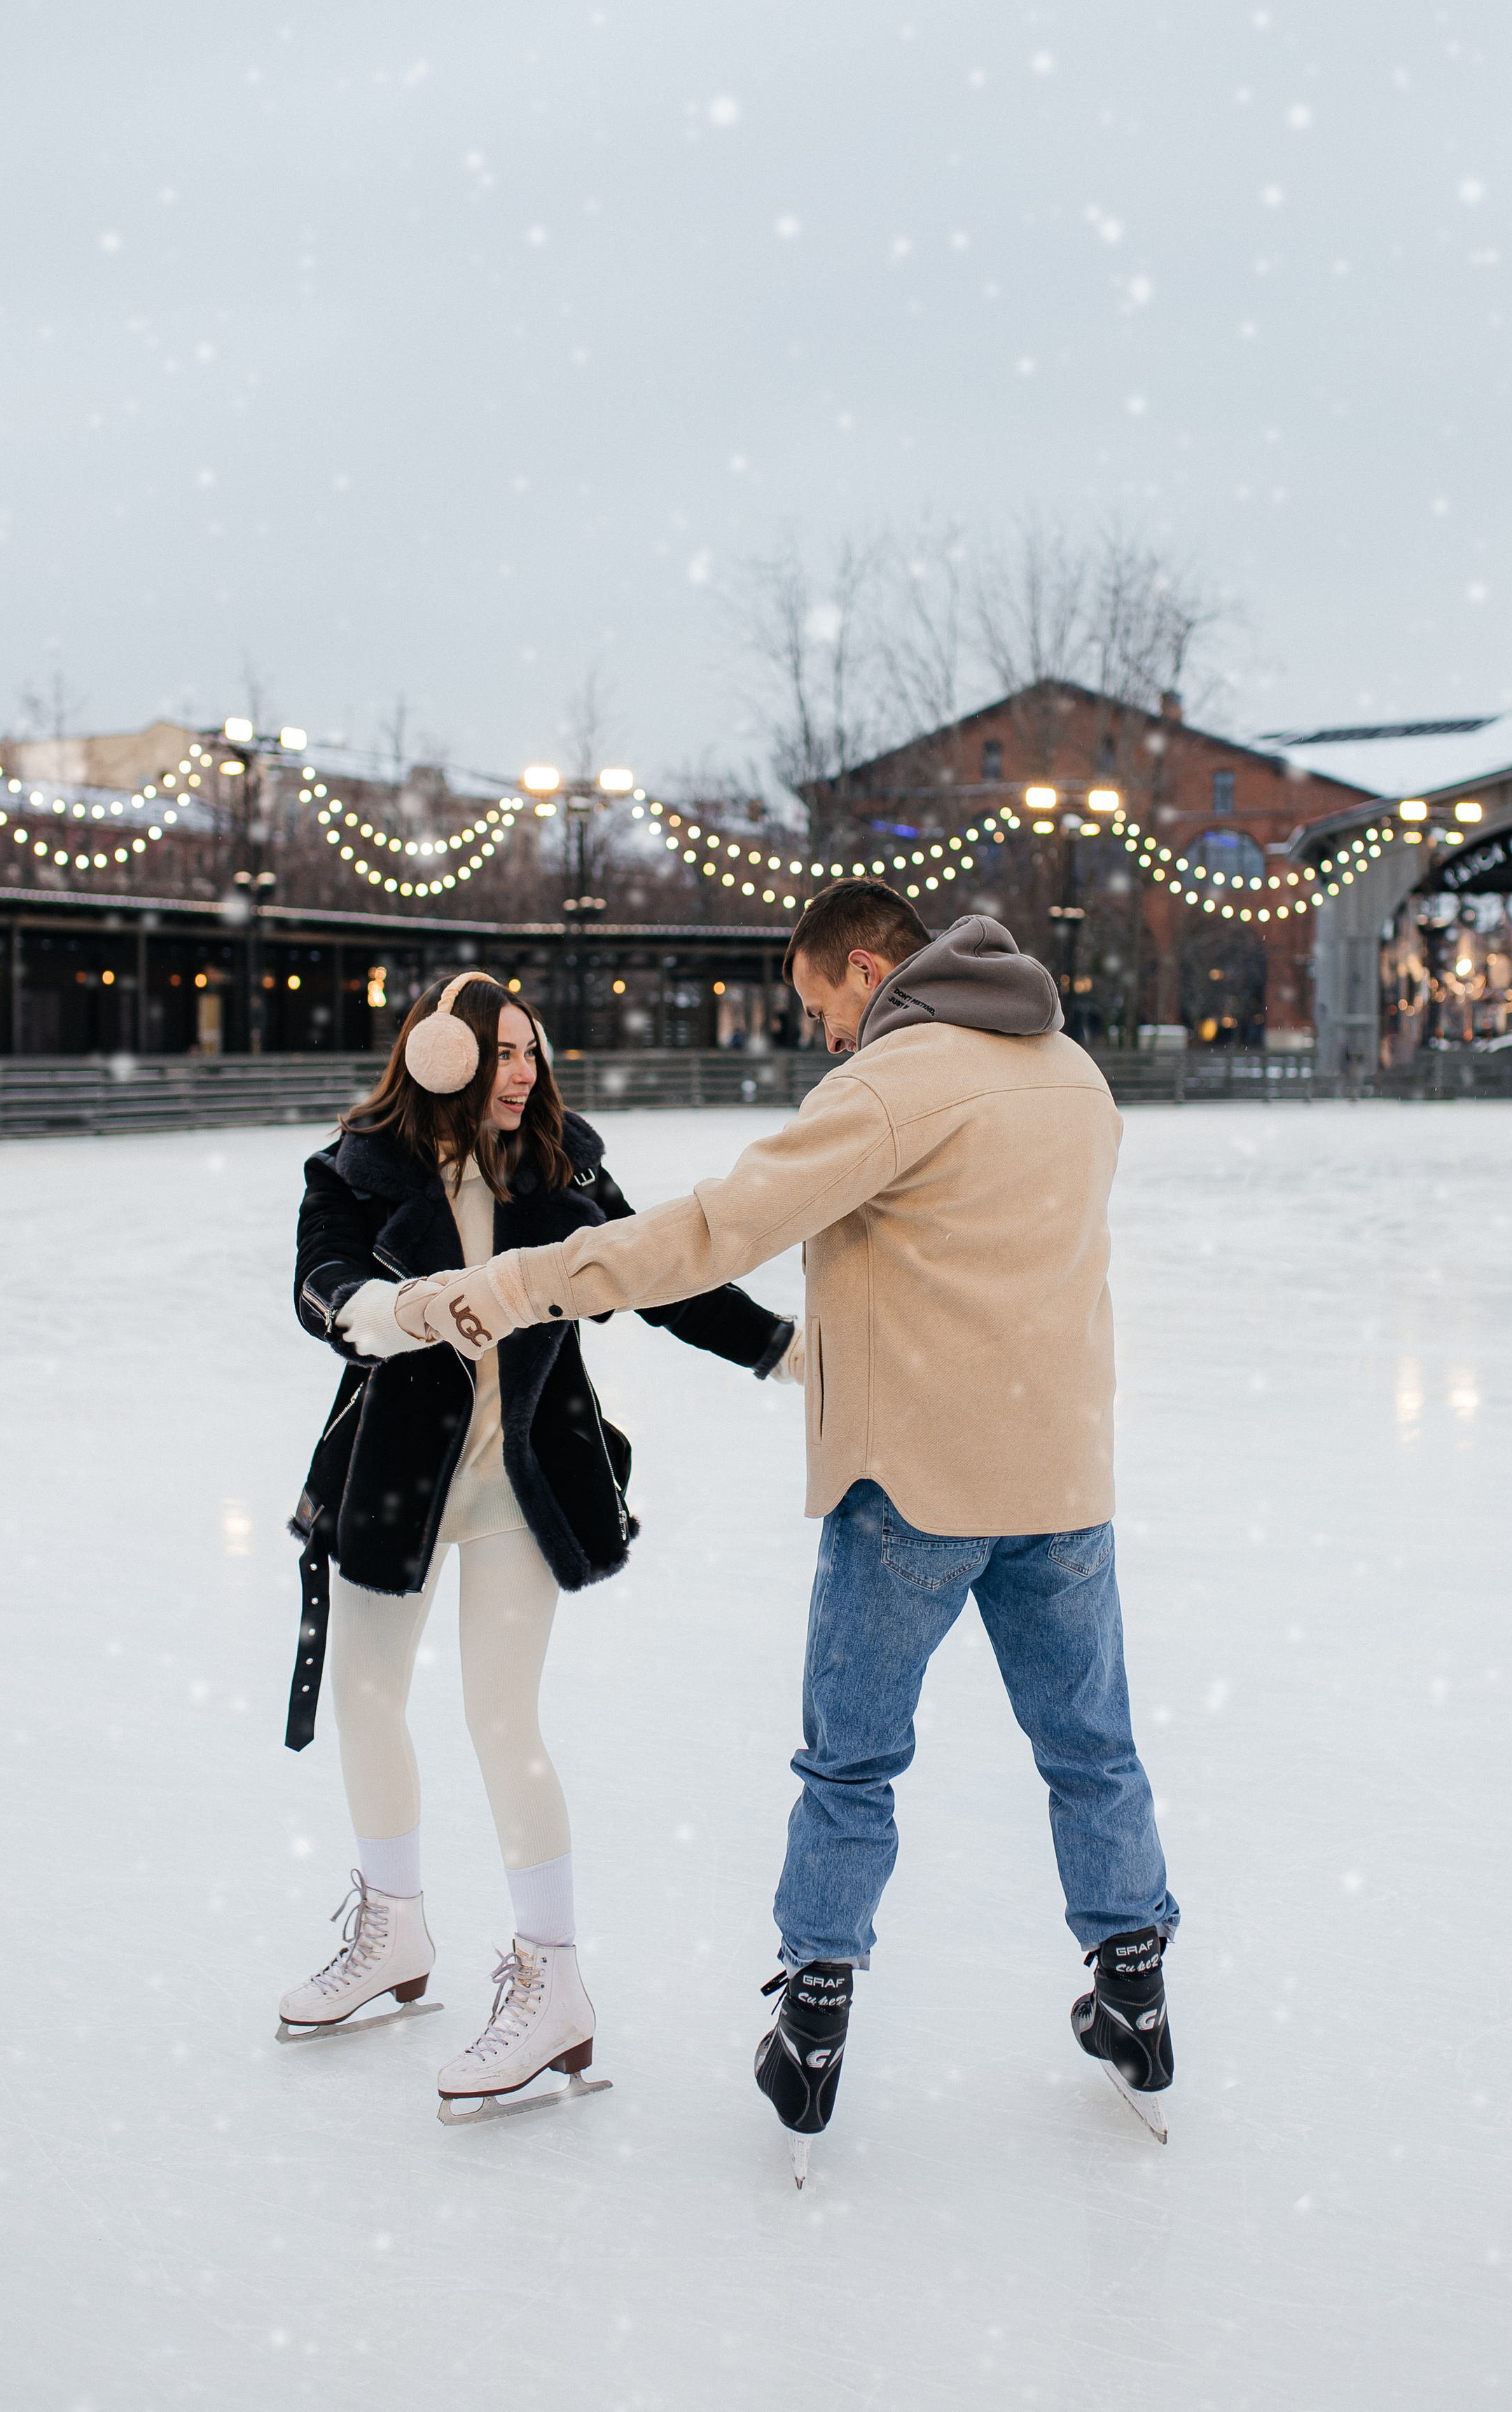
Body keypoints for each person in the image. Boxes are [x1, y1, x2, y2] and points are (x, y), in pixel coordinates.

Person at [387, 888, 1179, 2176]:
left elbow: (709, 1235)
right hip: (1062, 1479)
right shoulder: (1074, 1073)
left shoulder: (892, 1086)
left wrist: (521, 1286)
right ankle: (1133, 1983)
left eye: (822, 1005)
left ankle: (813, 2012)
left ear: (870, 967)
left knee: (851, 1768)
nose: (825, 1037)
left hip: (913, 1482)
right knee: (1092, 1750)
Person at [279, 970, 795, 2122]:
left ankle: (552, 1980)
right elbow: (321, 1285)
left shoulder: (560, 1170)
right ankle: (392, 1927)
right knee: (367, 1698)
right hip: (395, 1475)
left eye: (530, 1051)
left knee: (501, 1717)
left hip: (519, 1476)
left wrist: (781, 1351)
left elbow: (660, 1280)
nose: (521, 1072)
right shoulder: (360, 1166)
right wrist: (396, 1311)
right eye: (498, 1052)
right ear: (439, 1058)